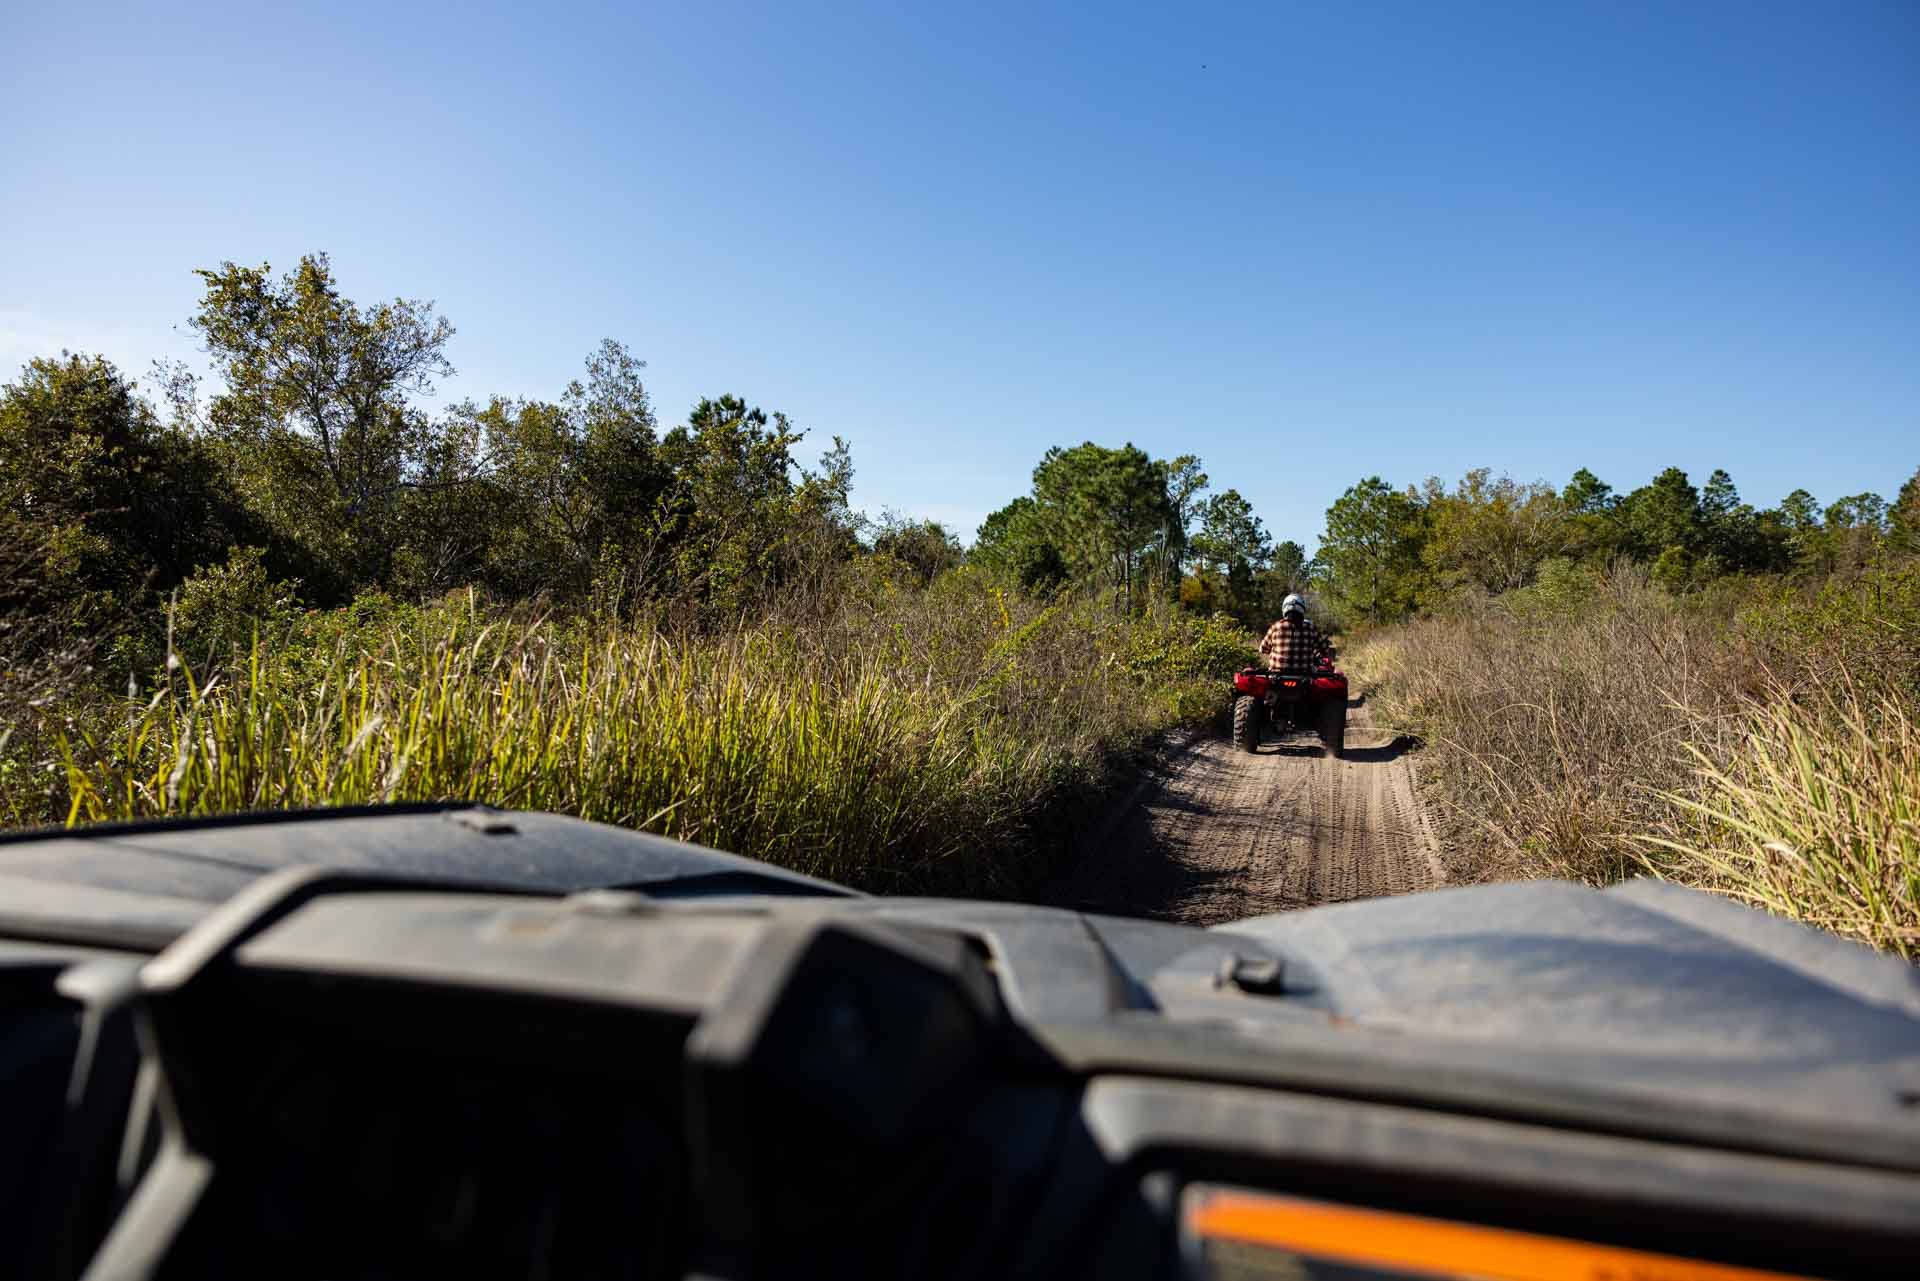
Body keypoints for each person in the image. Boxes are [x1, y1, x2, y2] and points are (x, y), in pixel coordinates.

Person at [1259, 593, 1330, 672]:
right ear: (1302, 609)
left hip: (1277, 675)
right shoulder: (1311, 628)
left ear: (1284, 609)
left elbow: (1263, 648)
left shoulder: (1276, 626)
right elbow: (1324, 649)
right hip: (1305, 675)